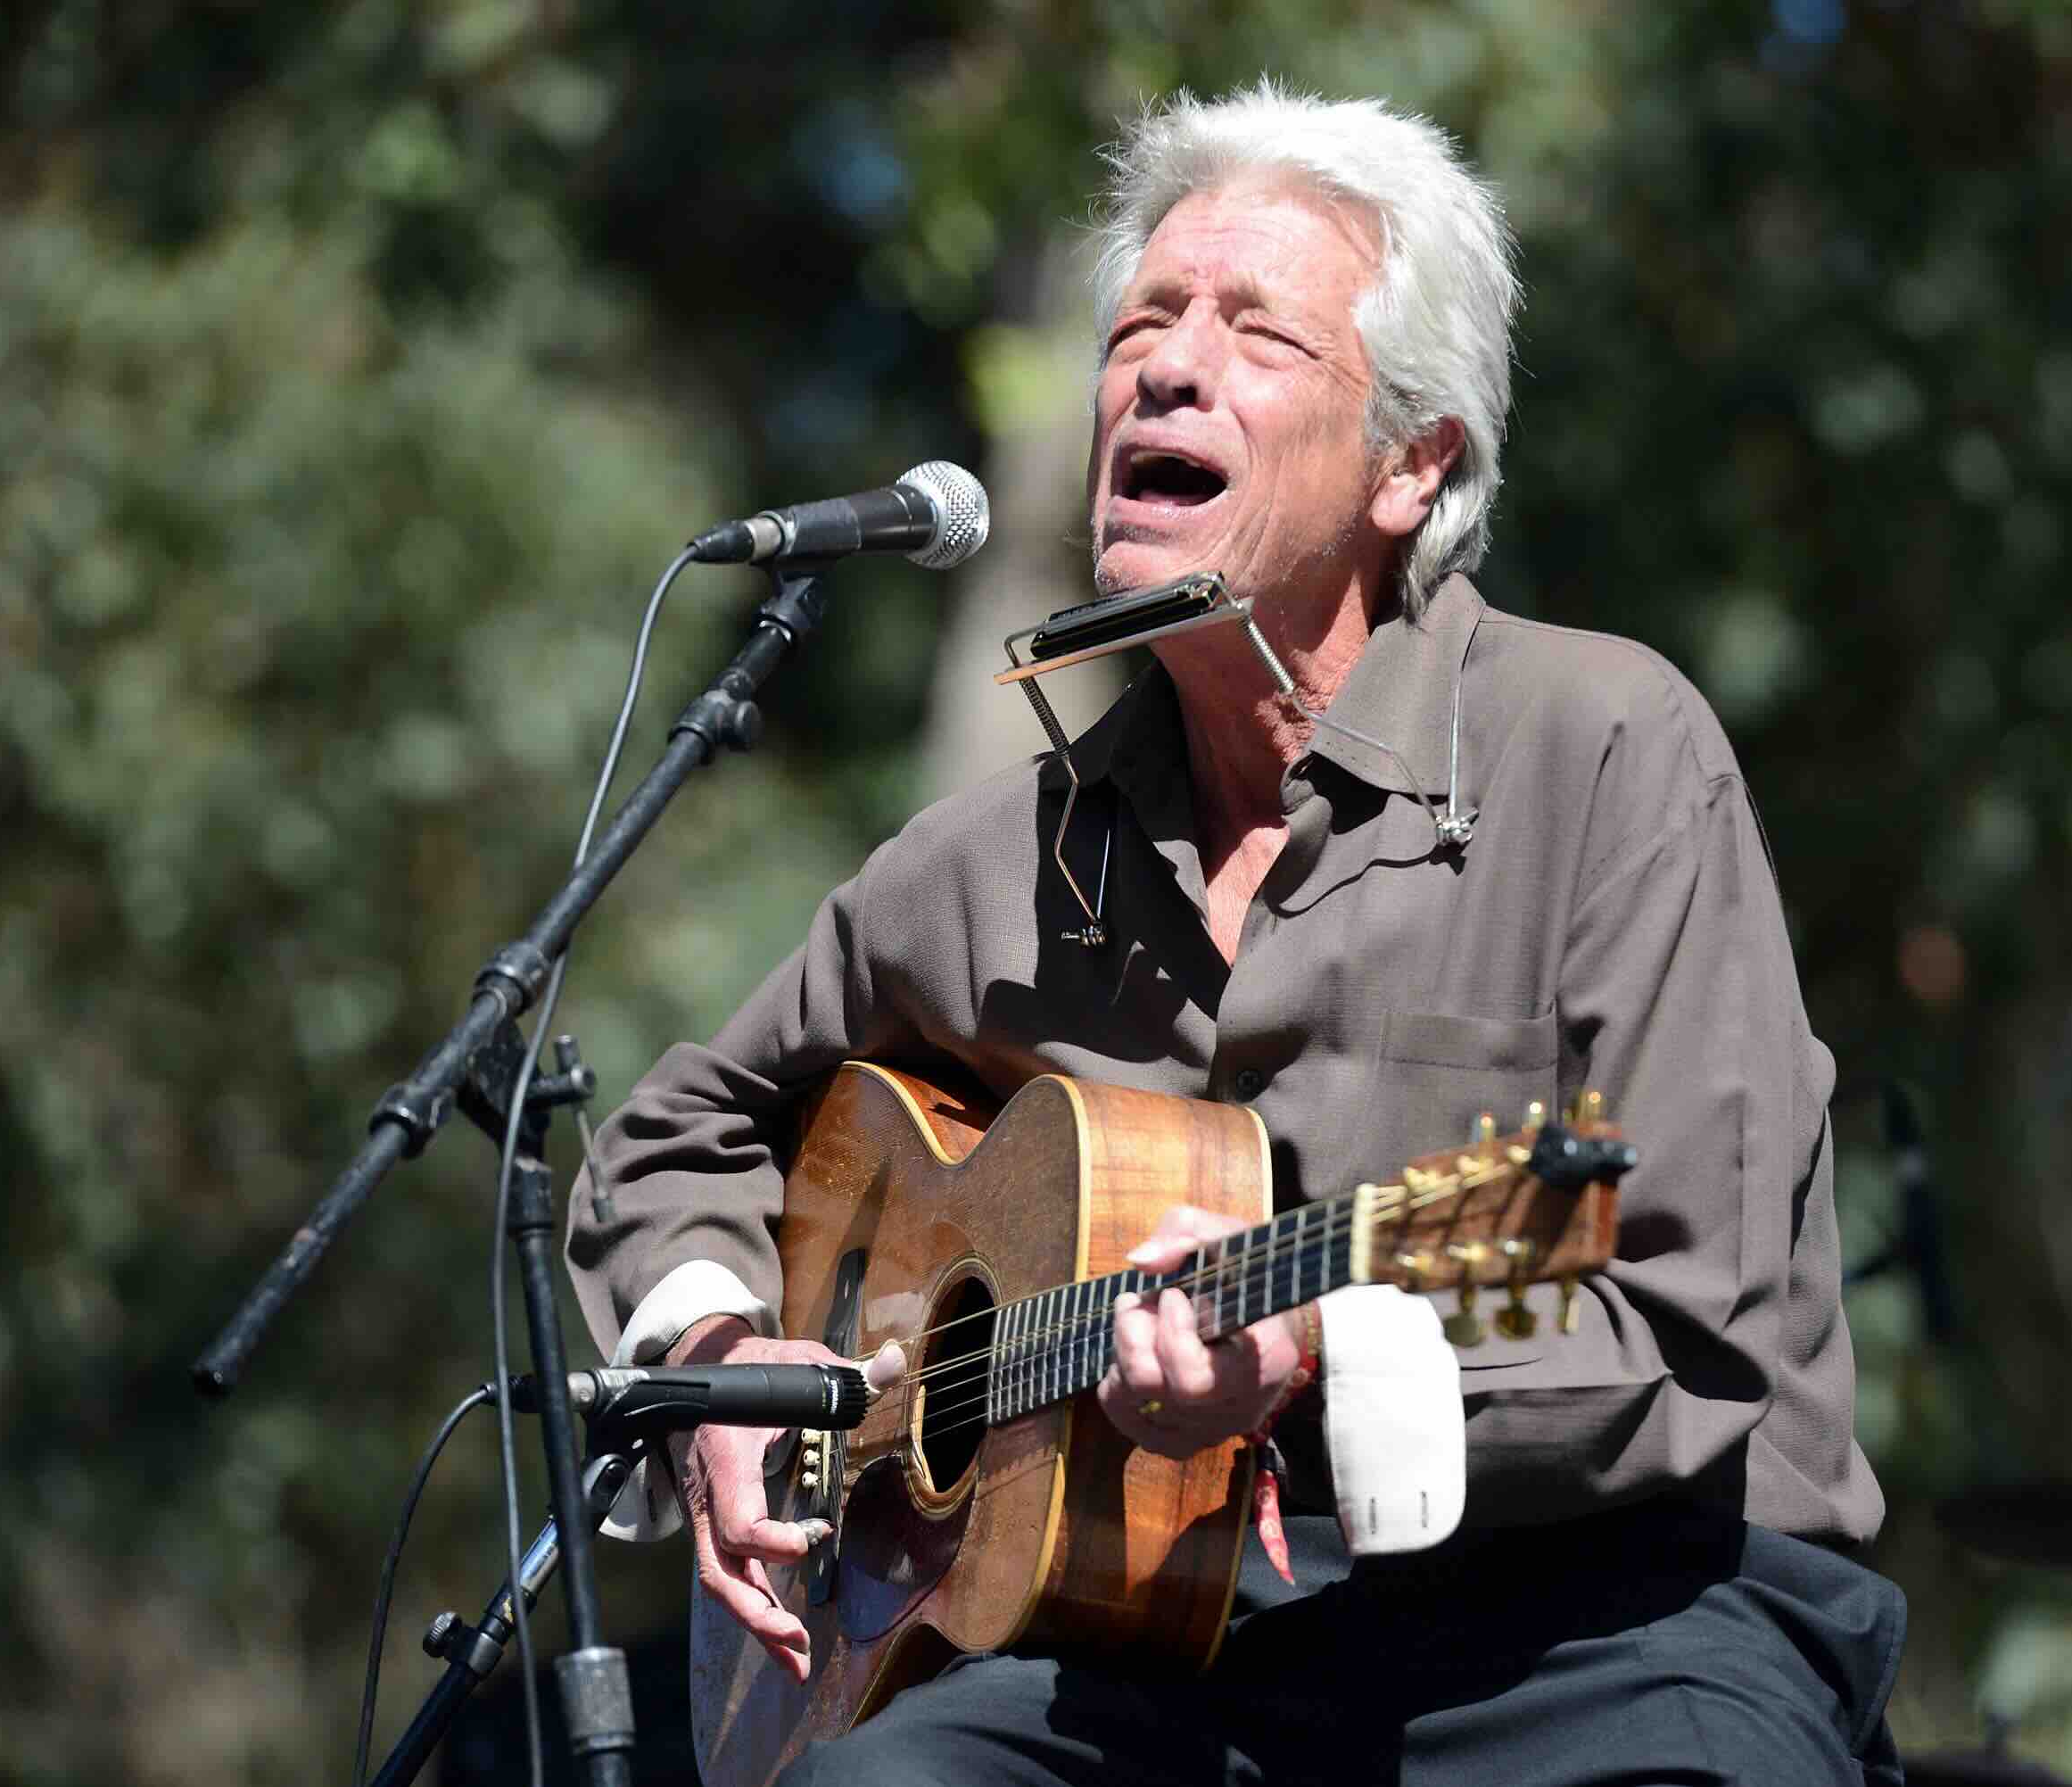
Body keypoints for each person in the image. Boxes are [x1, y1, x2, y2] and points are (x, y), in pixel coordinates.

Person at [567, 80, 1903, 1787]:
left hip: (1611, 1628)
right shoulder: (1001, 852)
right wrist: (724, 1365)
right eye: (1143, 325)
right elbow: (678, 1130)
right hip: (1171, 1651)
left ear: (1412, 468)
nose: (1165, 369)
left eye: (1256, 335)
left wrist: (1321, 1359)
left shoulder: (1608, 748)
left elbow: (1694, 1305)